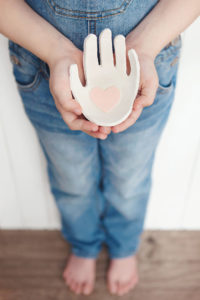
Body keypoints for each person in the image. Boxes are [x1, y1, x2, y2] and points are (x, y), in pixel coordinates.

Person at [0, 0, 199, 296]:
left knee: (130, 179)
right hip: (44, 68)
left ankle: (124, 244)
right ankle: (84, 244)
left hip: (146, 62)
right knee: (71, 179)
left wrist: (143, 48)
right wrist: (56, 53)